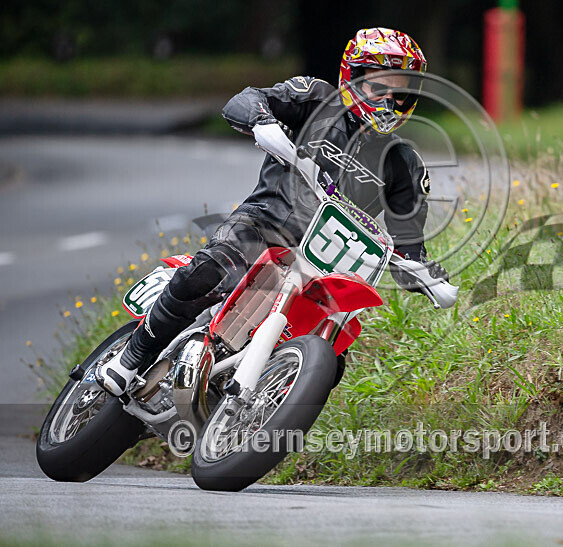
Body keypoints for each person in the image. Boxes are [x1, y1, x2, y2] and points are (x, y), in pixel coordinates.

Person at [96, 27, 448, 396]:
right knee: (205, 272)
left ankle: (252, 415)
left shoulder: (405, 163)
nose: (391, 96)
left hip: (328, 264)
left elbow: (410, 243)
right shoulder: (315, 98)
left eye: (401, 88)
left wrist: (424, 274)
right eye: (380, 83)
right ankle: (130, 360)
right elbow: (246, 99)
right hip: (265, 223)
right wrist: (262, 121)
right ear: (353, 76)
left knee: (331, 358)